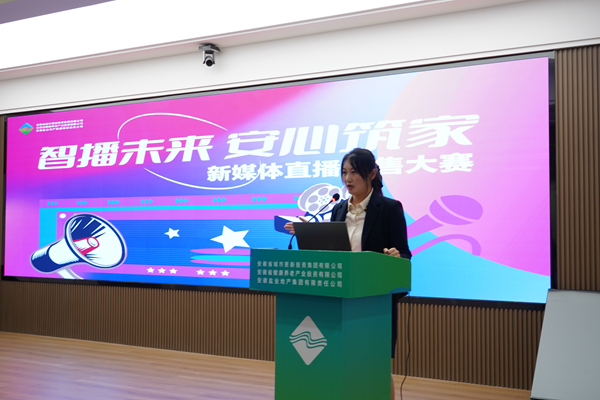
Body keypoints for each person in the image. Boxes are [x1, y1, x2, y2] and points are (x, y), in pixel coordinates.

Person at [285, 147, 411, 400]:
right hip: (342, 297)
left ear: (372, 174)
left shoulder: (389, 208)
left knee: (376, 363)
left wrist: (395, 256)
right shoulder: (339, 208)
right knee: (346, 361)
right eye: (344, 172)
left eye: (354, 172)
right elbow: (335, 253)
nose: (348, 178)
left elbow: (405, 255)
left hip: (374, 299)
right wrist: (309, 233)